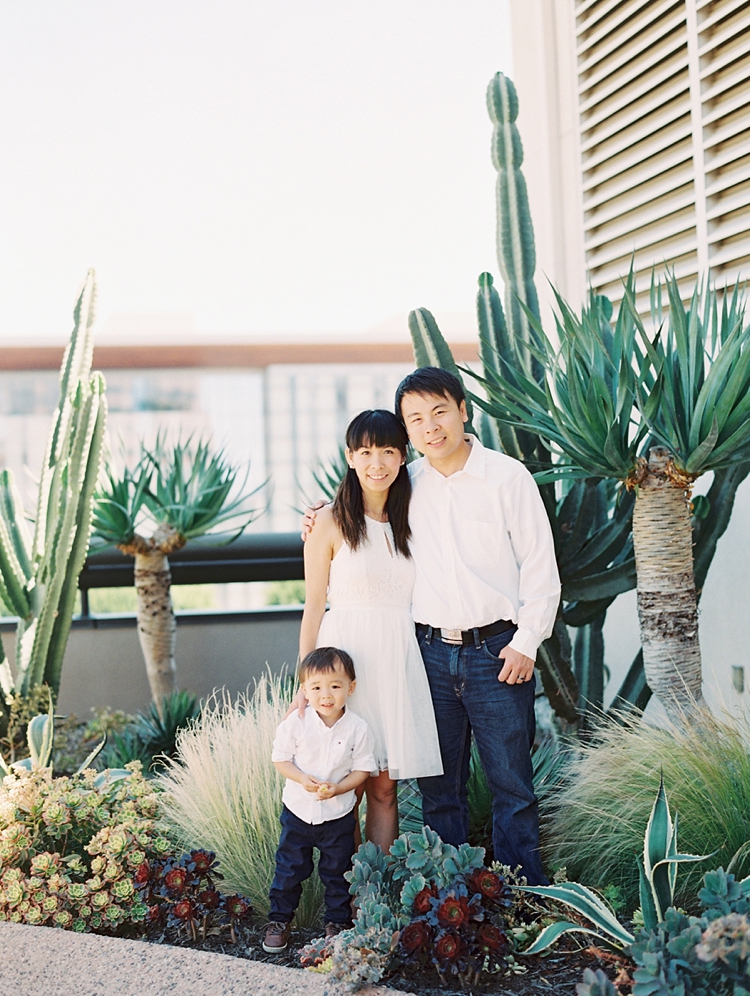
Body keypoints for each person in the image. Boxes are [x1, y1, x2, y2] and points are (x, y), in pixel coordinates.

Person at [304, 368, 560, 885]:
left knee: (511, 783)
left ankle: (522, 897)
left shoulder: (507, 478)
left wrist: (526, 641)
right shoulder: (405, 484)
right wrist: (318, 519)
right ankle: (449, 900)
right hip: (427, 656)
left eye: (439, 412)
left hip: (498, 652)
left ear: (463, 409)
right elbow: (360, 527)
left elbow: (541, 568)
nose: (429, 427)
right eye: (414, 419)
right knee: (441, 789)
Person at [297, 408, 443, 852]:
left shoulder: (415, 517)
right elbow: (313, 605)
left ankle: (378, 892)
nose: (376, 463)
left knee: (383, 788)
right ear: (350, 457)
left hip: (395, 661)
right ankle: (348, 902)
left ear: (403, 457)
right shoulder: (328, 522)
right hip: (345, 662)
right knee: (347, 788)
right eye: (365, 452)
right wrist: (306, 684)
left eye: (387, 451)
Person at [264, 646, 375, 954]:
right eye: (316, 688)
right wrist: (302, 779)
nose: (326, 695)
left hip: (337, 815)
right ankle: (279, 921)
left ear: (350, 688)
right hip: (298, 812)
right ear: (305, 691)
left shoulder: (358, 728)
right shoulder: (295, 724)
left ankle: (337, 925)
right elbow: (281, 759)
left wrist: (339, 789)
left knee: (337, 872)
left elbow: (363, 769)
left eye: (335, 686)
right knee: (289, 869)